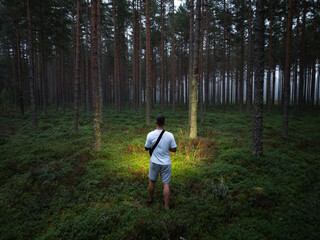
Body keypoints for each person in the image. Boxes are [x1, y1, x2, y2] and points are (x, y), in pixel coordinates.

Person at [145, 115, 177, 210]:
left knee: (152, 181)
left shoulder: (150, 134)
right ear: (164, 123)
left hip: (154, 162)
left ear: (155, 122)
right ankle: (166, 207)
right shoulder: (170, 135)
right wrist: (167, 148)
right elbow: (174, 149)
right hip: (166, 163)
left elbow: (146, 148)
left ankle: (150, 200)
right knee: (166, 184)